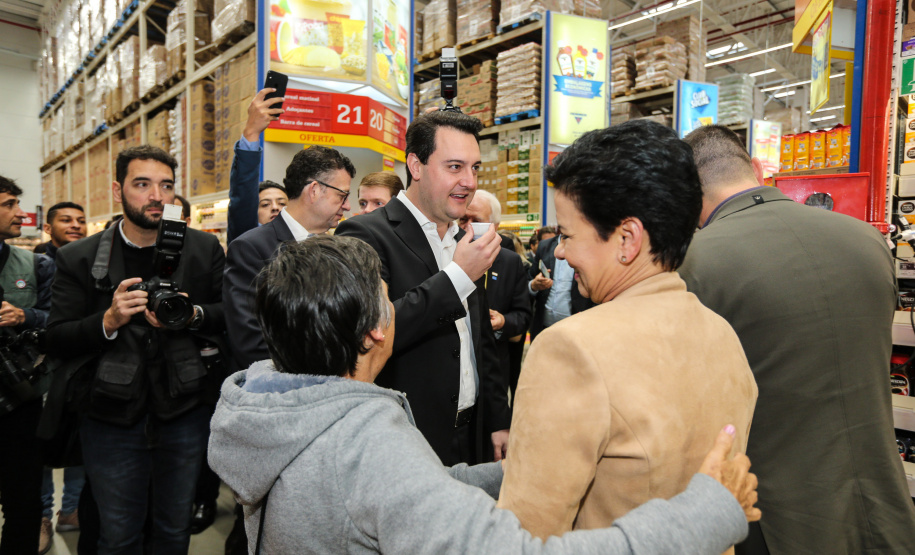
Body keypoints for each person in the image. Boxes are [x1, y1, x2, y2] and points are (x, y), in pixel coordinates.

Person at [208, 235, 762, 554]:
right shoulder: (363, 444)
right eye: (387, 298)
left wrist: (527, 468)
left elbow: (402, 493)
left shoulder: (276, 405)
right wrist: (707, 512)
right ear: (376, 329)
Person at [496, 121, 758, 541]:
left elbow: (525, 535)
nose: (560, 251)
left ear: (627, 238)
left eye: (567, 234)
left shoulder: (571, 349)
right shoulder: (723, 334)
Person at [679, 125, 915, 555]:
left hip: (777, 519)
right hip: (884, 505)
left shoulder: (694, 263)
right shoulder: (867, 239)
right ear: (756, 169)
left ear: (688, 193)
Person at [44, 145, 227, 554]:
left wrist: (192, 314)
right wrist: (108, 321)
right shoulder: (80, 257)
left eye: (166, 185)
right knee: (118, 535)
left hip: (184, 411)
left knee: (175, 530)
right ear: (118, 190)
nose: (156, 196)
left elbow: (228, 314)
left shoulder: (202, 249)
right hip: (109, 417)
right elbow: (55, 336)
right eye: (142, 184)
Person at [336, 110, 510, 465]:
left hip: (473, 433)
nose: (469, 181)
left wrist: (497, 419)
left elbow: (480, 337)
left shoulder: (464, 239)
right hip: (406, 437)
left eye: (475, 168)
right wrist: (458, 276)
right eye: (455, 167)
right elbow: (374, 333)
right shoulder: (364, 235)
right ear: (416, 166)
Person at [224, 145, 354, 371]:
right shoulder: (251, 249)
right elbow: (251, 342)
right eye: (342, 196)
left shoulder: (338, 248)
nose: (348, 206)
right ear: (314, 190)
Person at [0, 175, 54, 555]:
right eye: (9, 204)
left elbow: (59, 321)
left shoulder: (36, 265)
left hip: (19, 398)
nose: (20, 213)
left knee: (22, 502)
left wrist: (25, 317)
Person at [459, 190, 531, 401]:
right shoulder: (445, 255)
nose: (468, 227)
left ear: (495, 226)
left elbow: (523, 316)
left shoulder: (510, 262)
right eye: (463, 219)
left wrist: (503, 321)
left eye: (477, 221)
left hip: (493, 370)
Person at [226, 88, 285, 244]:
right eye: (265, 204)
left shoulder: (304, 243)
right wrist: (251, 132)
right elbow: (243, 195)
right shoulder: (247, 241)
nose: (275, 208)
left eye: (282, 203)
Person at [527, 230, 592, 341]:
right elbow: (530, 278)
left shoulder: (588, 245)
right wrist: (534, 285)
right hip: (544, 325)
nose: (558, 253)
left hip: (576, 327)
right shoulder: (544, 246)